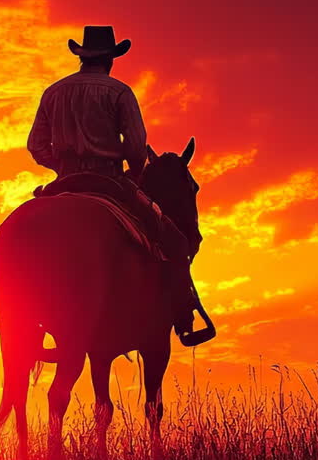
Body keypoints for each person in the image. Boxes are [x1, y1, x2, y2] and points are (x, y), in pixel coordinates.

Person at [26, 25, 198, 338]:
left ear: (81, 57)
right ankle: (184, 316)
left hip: (63, 179)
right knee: (175, 240)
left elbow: (36, 146)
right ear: (111, 59)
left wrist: (61, 166)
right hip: (109, 179)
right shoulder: (119, 92)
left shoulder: (54, 92)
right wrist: (132, 171)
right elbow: (135, 146)